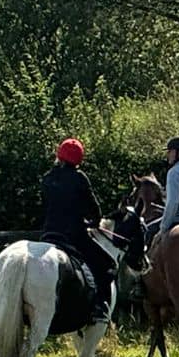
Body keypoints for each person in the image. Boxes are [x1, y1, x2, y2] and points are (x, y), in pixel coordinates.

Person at [38, 136, 113, 324]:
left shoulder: (47, 178)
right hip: (73, 236)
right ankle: (99, 307)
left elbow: (44, 206)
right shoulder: (79, 178)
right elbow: (95, 210)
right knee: (106, 265)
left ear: (59, 155)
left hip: (48, 234)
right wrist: (93, 222)